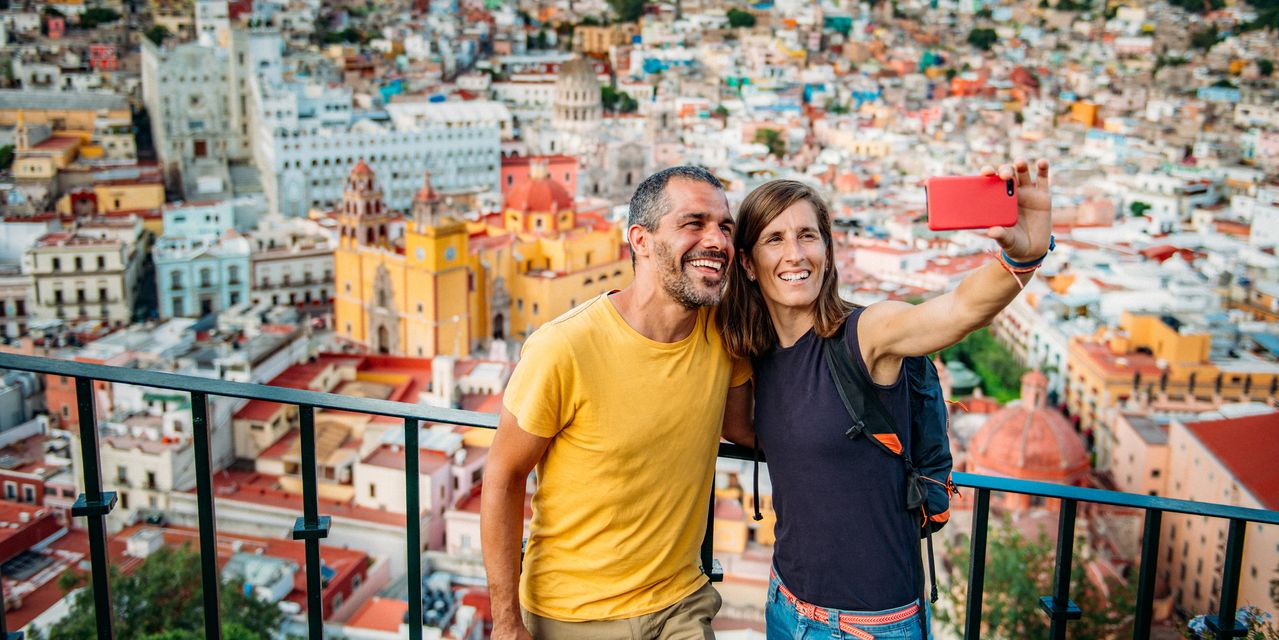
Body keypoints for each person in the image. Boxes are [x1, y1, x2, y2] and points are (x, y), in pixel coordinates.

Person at [718, 160, 1054, 639]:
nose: (795, 254)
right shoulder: (759, 354)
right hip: (784, 603)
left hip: (871, 625)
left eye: (808, 236)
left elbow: (958, 310)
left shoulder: (865, 334)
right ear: (749, 264)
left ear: (827, 250)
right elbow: (744, 430)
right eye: (774, 239)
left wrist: (1022, 259)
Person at [481, 166, 753, 640]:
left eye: (725, 227)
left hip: (681, 604)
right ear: (641, 240)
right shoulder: (564, 348)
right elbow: (503, 476)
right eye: (694, 223)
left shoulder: (723, 335)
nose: (717, 241)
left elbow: (744, 428)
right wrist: (505, 623)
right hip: (574, 614)